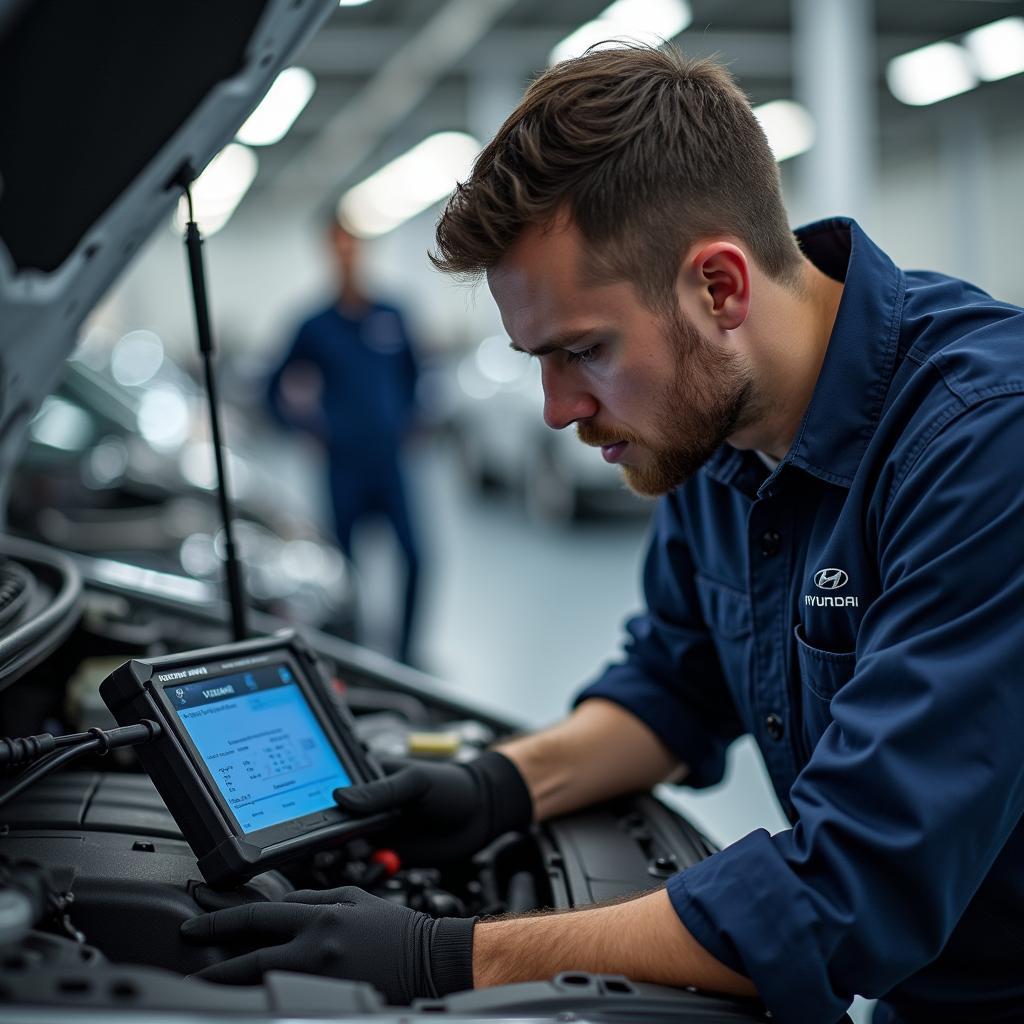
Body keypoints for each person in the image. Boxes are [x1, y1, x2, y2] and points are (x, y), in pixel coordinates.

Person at [185, 46, 1024, 1023]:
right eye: (537, 359)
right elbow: (673, 684)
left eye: (582, 349)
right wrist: (497, 786)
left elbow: (845, 893)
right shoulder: (716, 426)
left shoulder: (984, 445)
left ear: (719, 289)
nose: (554, 409)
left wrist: (441, 955)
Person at [266, 218, 422, 664]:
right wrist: (303, 429)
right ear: (328, 253)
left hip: (390, 462)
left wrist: (408, 419)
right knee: (345, 569)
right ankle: (355, 656)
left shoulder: (391, 314)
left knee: (416, 557)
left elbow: (414, 374)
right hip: (343, 464)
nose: (346, 254)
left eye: (352, 245)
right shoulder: (314, 325)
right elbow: (271, 385)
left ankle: (406, 655)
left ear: (362, 250)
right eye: (337, 246)